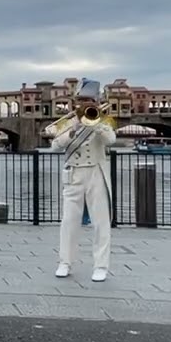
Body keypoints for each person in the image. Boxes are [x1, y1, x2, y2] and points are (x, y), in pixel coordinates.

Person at [52, 79, 116, 282]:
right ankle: (65, 262)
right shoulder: (67, 121)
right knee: (69, 221)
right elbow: (55, 145)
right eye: (80, 99)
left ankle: (101, 266)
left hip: (96, 173)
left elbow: (111, 140)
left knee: (101, 222)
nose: (84, 103)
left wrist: (97, 125)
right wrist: (73, 129)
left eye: (88, 100)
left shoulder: (105, 119)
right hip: (73, 174)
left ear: (96, 101)